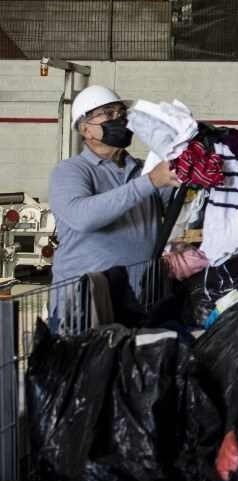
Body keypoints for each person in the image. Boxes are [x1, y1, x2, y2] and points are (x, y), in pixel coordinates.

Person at [47, 85, 180, 326]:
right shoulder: (71, 171)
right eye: (108, 114)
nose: (119, 119)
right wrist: (150, 181)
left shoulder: (142, 169)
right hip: (85, 305)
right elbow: (82, 217)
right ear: (85, 129)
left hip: (139, 300)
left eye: (121, 113)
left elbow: (173, 207)